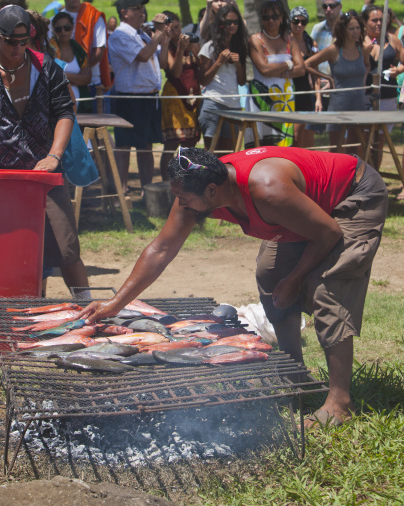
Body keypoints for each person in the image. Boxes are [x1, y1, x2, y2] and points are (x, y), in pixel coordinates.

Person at [79, 146, 388, 428]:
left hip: (352, 193)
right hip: (308, 207)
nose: (181, 205)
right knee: (269, 274)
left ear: (212, 191)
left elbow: (328, 233)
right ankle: (295, 374)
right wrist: (115, 304)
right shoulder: (198, 188)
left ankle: (340, 402)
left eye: (185, 199)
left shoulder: (268, 191)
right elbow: (161, 249)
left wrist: (295, 281)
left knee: (327, 288)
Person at [0, 5, 90, 298]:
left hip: (46, 175)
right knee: (22, 251)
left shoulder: (46, 67)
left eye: (24, 41)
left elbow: (65, 113)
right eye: (11, 42)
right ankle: (32, 310)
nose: (18, 48)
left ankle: (89, 308)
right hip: (6, 177)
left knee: (66, 247)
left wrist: (53, 156)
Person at [108, 0, 170, 194]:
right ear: (124, 13)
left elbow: (160, 63)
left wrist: (164, 39)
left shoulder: (142, 34)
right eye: (136, 8)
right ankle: (121, 190)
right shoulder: (120, 34)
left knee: (146, 147)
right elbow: (143, 56)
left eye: (142, 8)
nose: (142, 12)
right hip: (130, 98)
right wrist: (158, 34)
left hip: (149, 97)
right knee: (125, 146)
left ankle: (147, 191)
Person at [305, 12, 370, 156]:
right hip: (339, 104)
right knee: (335, 149)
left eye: (358, 28)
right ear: (342, 30)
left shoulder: (362, 48)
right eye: (351, 28)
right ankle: (332, 178)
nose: (356, 32)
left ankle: (354, 178)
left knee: (355, 149)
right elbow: (308, 64)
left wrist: (364, 80)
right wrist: (327, 78)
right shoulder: (333, 50)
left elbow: (367, 65)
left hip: (359, 103)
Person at [246, 0, 304, 147]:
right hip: (262, 95)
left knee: (284, 143)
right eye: (266, 17)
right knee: (260, 143)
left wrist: (279, 71)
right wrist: (288, 63)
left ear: (282, 18)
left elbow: (301, 69)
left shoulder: (289, 39)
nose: (270, 21)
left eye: (274, 17)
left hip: (285, 96)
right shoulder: (255, 40)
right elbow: (264, 69)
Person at [198, 2, 249, 152]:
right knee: (210, 152)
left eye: (235, 22)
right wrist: (218, 62)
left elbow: (241, 81)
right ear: (221, 24)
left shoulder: (240, 46)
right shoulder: (209, 47)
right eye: (228, 22)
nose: (232, 25)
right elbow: (203, 80)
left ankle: (225, 177)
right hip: (213, 102)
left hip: (233, 104)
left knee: (229, 154)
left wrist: (239, 64)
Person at [160, 10, 201, 179]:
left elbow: (200, 65)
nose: (176, 32)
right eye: (172, 29)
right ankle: (165, 181)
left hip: (192, 97)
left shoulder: (189, 43)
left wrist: (191, 48)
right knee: (172, 142)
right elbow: (175, 72)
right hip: (174, 97)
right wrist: (180, 50)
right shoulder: (166, 46)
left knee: (190, 142)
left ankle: (187, 178)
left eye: (178, 27)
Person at [54, 0, 110, 98]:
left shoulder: (93, 17)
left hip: (90, 82)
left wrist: (83, 72)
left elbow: (99, 49)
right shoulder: (54, 21)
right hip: (61, 83)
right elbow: (50, 49)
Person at [363, 4, 404, 169]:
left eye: (382, 19)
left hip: (387, 95)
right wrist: (365, 54)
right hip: (364, 95)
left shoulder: (392, 39)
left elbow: (403, 60)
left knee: (380, 141)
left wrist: (398, 69)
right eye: (374, 20)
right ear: (365, 22)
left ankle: (375, 175)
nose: (379, 23)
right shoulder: (360, 39)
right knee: (364, 140)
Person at [49, 11, 91, 111]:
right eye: (58, 29)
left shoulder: (78, 50)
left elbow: (87, 79)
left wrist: (63, 76)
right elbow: (51, 77)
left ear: (72, 28)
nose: (63, 32)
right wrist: (76, 79)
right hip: (57, 104)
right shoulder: (49, 50)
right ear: (53, 30)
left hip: (81, 104)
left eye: (67, 28)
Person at [310, 0, 343, 115]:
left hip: (339, 86)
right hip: (319, 85)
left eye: (332, 6)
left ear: (340, 7)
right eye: (325, 6)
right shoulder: (317, 29)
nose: (328, 9)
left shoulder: (347, 29)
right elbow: (311, 56)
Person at [289, 7, 317, 148]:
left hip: (305, 90)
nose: (299, 25)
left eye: (303, 21)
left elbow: (315, 71)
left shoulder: (310, 42)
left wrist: (318, 97)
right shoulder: (285, 42)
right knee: (294, 136)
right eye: (296, 21)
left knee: (306, 137)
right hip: (290, 89)